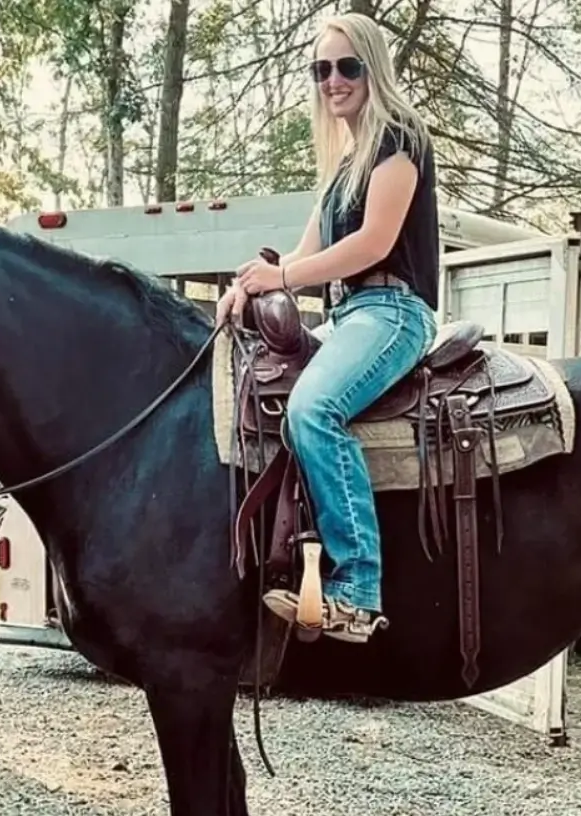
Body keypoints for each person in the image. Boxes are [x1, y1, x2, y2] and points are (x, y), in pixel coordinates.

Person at [218, 12, 439, 643]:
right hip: (348, 316)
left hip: (394, 312)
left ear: (373, 69)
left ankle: (357, 588)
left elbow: (373, 244)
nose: (333, 81)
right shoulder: (344, 165)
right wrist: (252, 281)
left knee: (313, 410)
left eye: (347, 66)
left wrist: (282, 280)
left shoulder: (400, 138)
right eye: (321, 70)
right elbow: (302, 257)